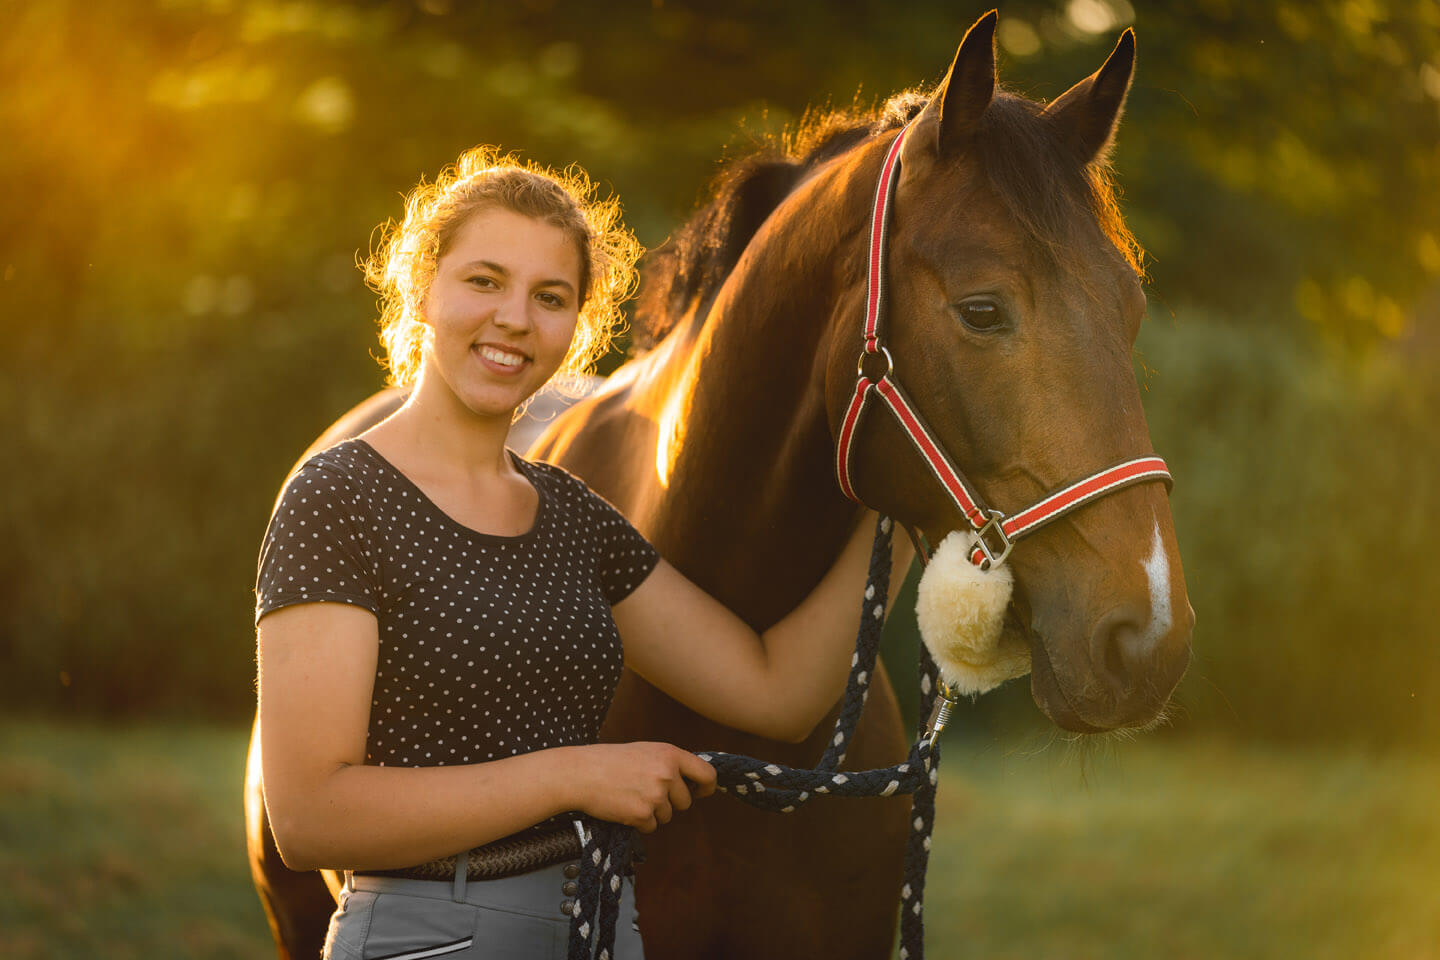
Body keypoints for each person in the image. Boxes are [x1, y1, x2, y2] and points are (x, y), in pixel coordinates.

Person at [254, 146, 913, 960]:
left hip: (596, 932)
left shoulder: (571, 517)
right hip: (426, 936)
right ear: (422, 289)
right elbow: (309, 816)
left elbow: (776, 691)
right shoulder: (339, 497)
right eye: (484, 281)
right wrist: (574, 776)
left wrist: (904, 517)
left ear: (577, 328)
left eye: (551, 297)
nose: (515, 320)